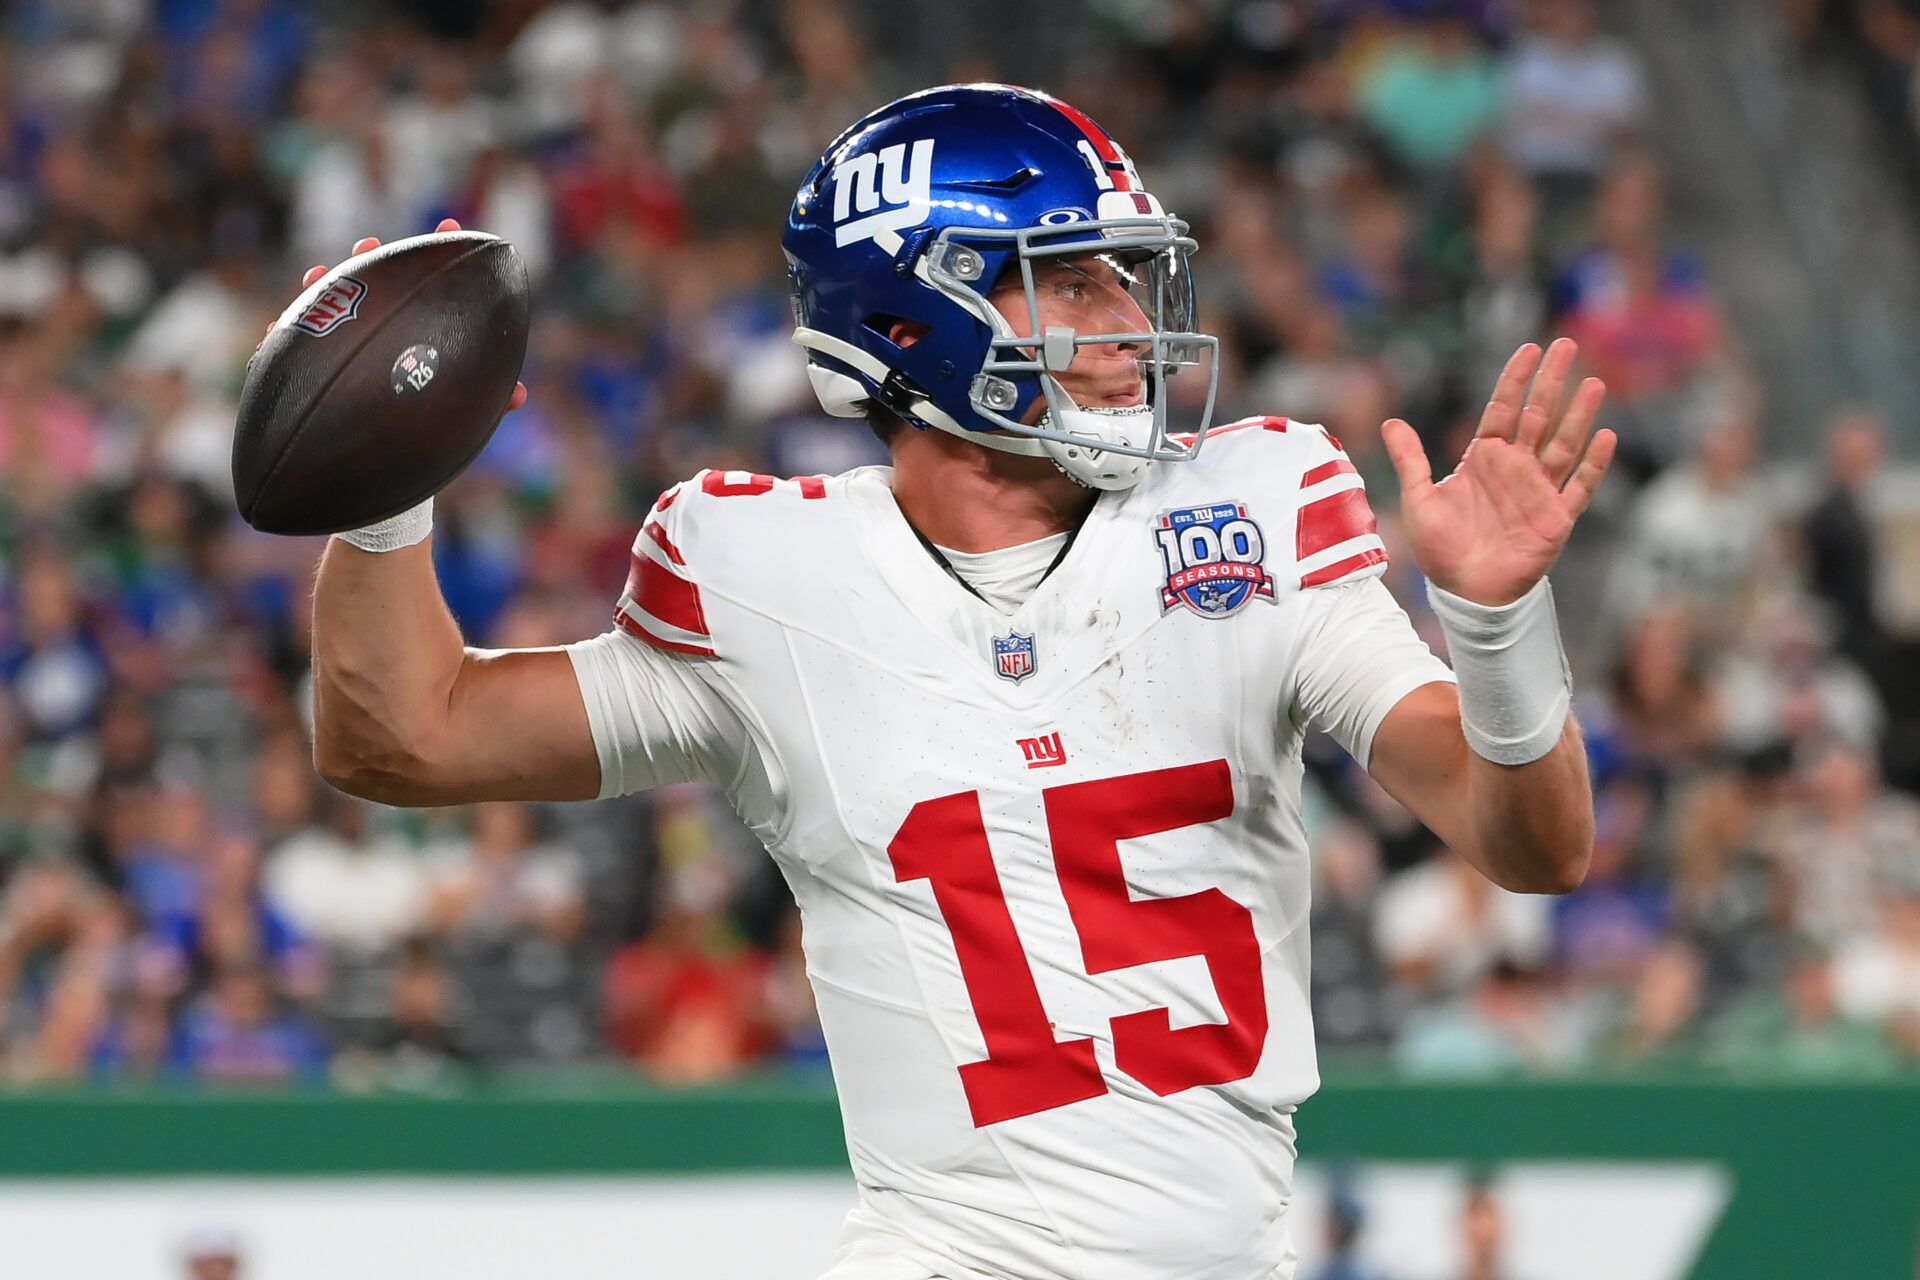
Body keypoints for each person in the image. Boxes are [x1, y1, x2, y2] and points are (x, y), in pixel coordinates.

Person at [298, 84, 1611, 1280]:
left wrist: (1493, 622)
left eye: (1122, 275)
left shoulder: (1255, 507)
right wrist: (382, 491)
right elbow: (404, 737)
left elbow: (1529, 841)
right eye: (1072, 282)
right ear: (913, 314)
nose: (1125, 319)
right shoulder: (767, 574)